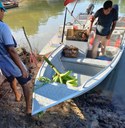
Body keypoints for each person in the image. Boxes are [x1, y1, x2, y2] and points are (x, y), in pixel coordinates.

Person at [0, 2, 32, 114]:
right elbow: (11, 50)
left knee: (10, 78)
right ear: (0, 11)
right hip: (9, 59)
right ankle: (28, 109)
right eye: (3, 11)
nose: (3, 14)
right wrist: (23, 69)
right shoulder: (3, 27)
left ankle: (17, 95)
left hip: (1, 62)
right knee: (26, 82)